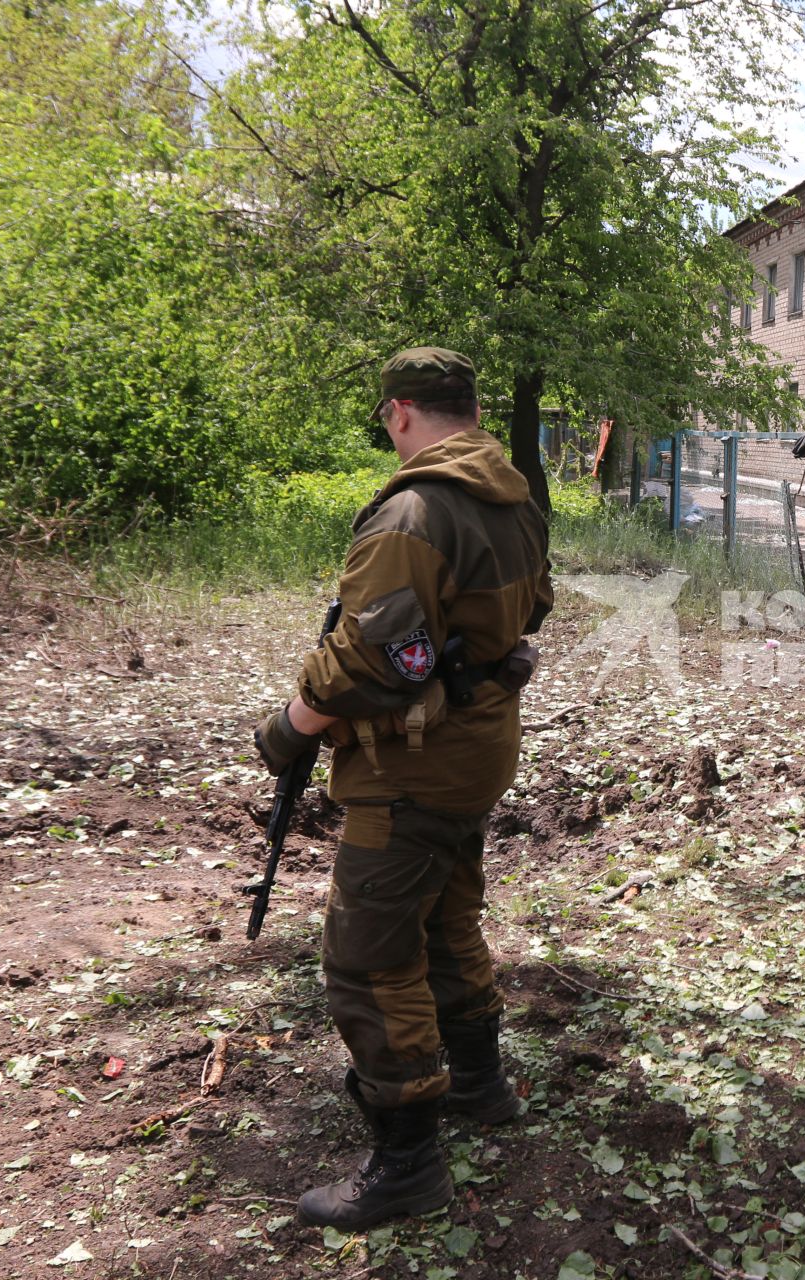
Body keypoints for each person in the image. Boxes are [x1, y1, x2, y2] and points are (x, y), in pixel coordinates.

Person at [251, 347, 555, 1230]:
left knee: (368, 956)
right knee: (446, 917)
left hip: (414, 767)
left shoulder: (413, 512)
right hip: (479, 747)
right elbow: (531, 611)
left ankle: (408, 1161)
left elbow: (367, 659)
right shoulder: (515, 495)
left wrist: (290, 728)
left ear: (398, 413)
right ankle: (478, 1084)